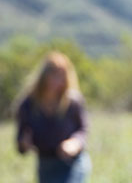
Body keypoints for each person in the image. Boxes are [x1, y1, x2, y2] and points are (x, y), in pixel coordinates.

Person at [15, 51, 91, 183]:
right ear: (44, 76)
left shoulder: (73, 102)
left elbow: (82, 129)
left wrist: (74, 143)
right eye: (54, 75)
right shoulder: (28, 105)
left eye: (62, 77)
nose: (58, 81)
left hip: (72, 164)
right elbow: (21, 140)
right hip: (46, 164)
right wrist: (24, 143)